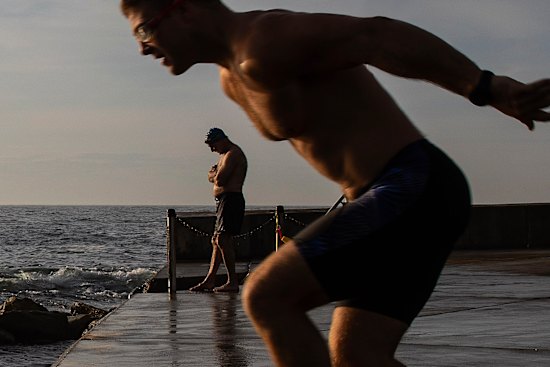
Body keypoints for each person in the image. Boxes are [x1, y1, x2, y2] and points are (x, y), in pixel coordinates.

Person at [120, 1, 550, 365]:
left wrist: (486, 86)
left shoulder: (265, 40)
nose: (141, 48)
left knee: (267, 296)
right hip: (389, 196)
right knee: (356, 357)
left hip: (412, 185)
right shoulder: (231, 78)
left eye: (144, 29)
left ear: (183, 9)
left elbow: (375, 36)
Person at [189, 127, 247, 293]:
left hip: (231, 200)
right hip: (223, 201)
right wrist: (214, 174)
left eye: (212, 145)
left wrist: (214, 174)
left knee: (223, 239)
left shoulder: (233, 154)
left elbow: (220, 179)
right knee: (216, 240)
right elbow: (212, 176)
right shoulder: (224, 156)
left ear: (221, 140)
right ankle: (210, 280)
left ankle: (232, 281)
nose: (212, 149)